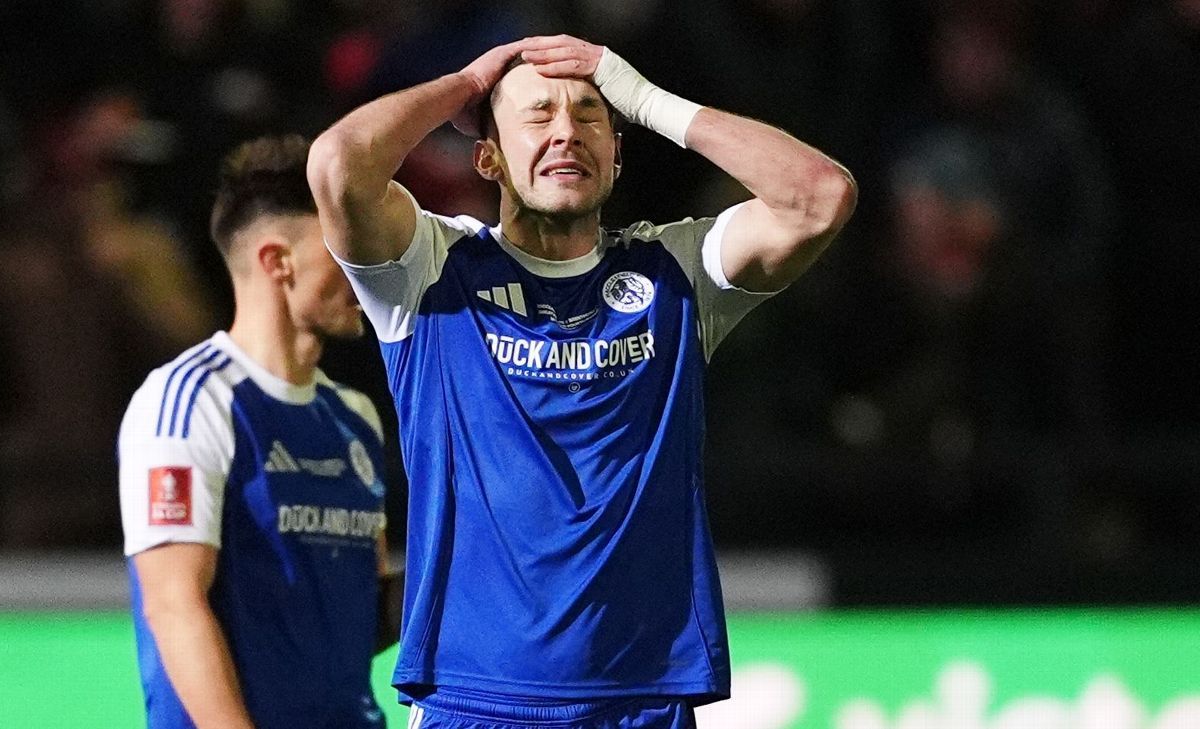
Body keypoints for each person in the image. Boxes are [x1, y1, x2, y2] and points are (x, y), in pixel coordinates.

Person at [307, 35, 856, 728]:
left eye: (591, 115)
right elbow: (337, 166)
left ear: (618, 155)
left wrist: (651, 101)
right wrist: (467, 83)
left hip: (642, 700)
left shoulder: (674, 274)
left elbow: (819, 197)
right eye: (537, 116)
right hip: (477, 696)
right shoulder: (429, 271)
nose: (566, 132)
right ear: (489, 157)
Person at [118, 135, 402, 729]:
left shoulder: (354, 415)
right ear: (278, 262)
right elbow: (174, 606)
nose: (367, 266)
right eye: (344, 249)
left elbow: (358, 613)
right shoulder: (189, 400)